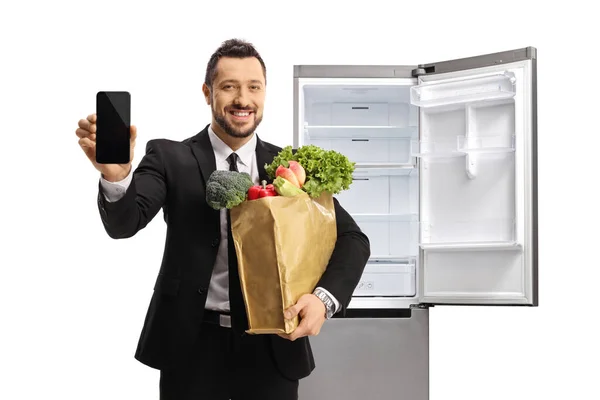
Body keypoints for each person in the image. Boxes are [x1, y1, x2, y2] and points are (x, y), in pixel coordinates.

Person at [75, 38, 370, 400]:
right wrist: (118, 177)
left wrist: (322, 300)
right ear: (207, 92)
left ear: (264, 93)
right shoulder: (170, 157)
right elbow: (124, 224)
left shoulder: (291, 166)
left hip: (273, 343)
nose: (242, 99)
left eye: (253, 87)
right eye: (229, 86)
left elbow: (352, 239)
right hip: (191, 346)